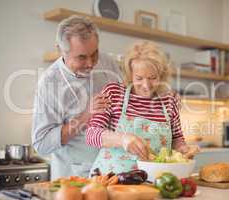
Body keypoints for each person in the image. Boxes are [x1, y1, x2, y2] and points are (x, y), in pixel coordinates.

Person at [86, 41, 199, 174]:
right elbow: (91, 134)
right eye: (139, 78)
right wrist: (122, 139)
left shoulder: (169, 100)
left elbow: (177, 139)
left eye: (153, 78)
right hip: (114, 179)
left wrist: (183, 150)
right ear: (130, 75)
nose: (146, 85)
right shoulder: (114, 93)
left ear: (161, 75)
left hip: (155, 180)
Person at [31, 15, 121, 180]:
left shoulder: (108, 62)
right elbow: (41, 144)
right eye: (81, 57)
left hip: (113, 171)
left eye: (94, 54)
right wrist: (86, 116)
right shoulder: (49, 83)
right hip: (74, 178)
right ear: (61, 50)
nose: (90, 63)